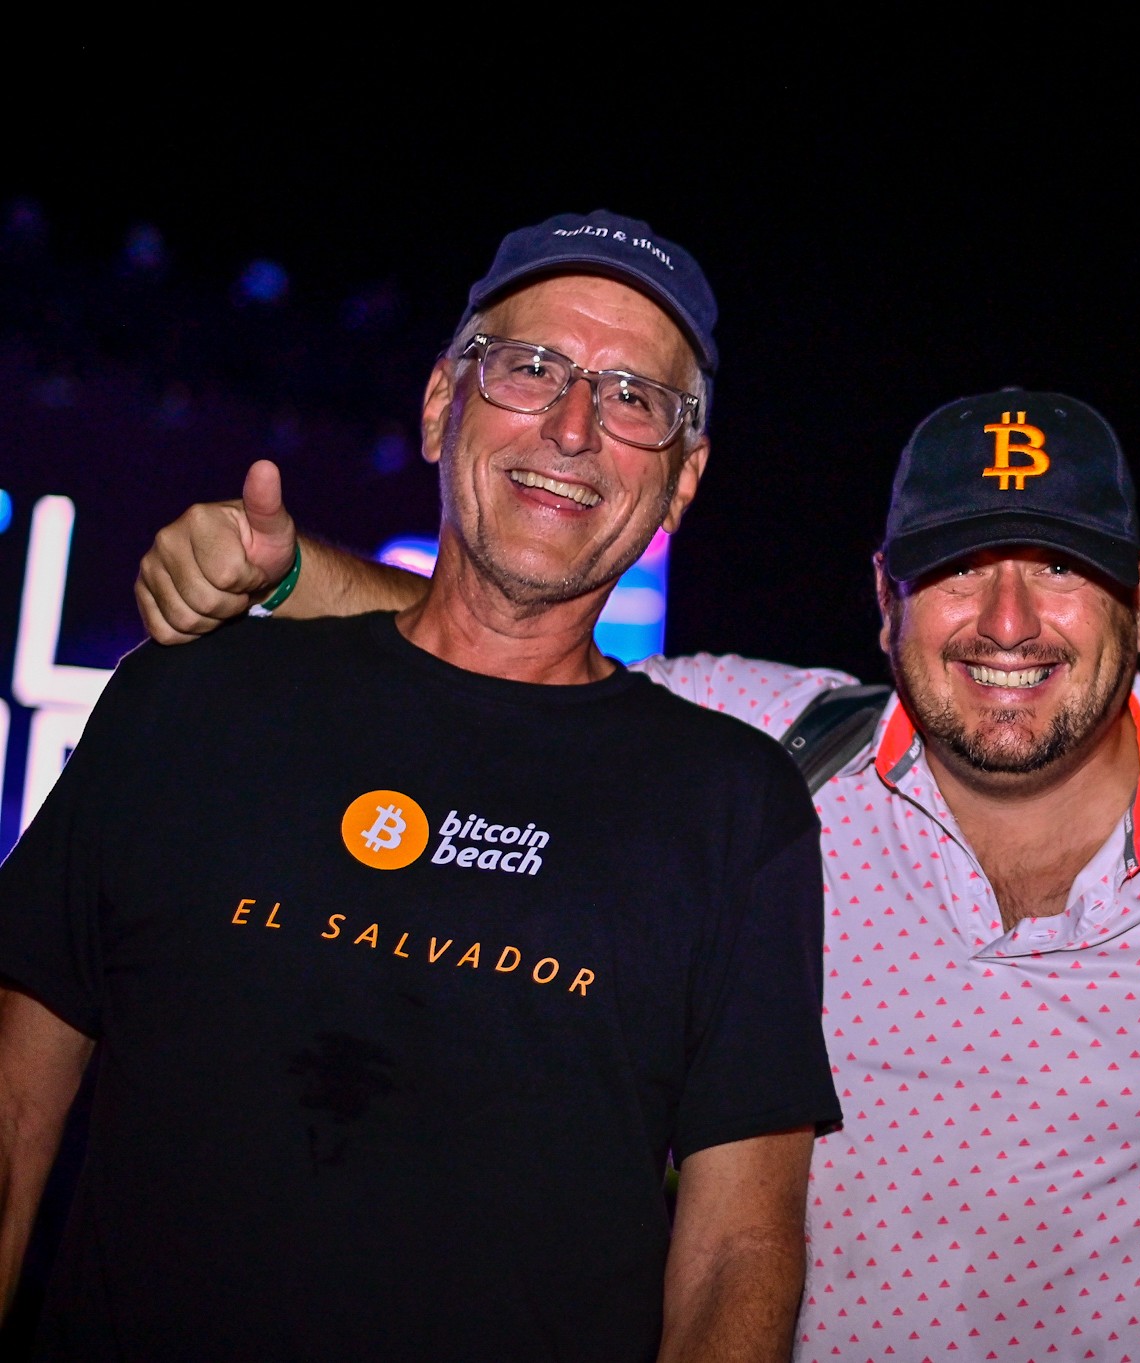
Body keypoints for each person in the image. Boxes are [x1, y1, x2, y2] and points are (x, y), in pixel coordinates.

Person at [135, 387, 1140, 1360]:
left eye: (1057, 568)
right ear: (883, 597)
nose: (1008, 622)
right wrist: (281, 573)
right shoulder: (760, 767)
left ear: (1136, 589)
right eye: (958, 568)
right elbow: (499, 672)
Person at [0, 211, 839, 1363]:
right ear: (443, 402)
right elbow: (12, 1107)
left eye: (632, 396)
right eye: (530, 367)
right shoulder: (191, 697)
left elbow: (740, 1251)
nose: (574, 427)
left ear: (682, 479)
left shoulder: (735, 807)